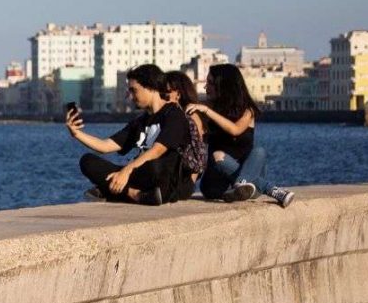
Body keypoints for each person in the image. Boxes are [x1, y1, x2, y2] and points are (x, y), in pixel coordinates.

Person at [67, 64, 196, 205]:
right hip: (140, 175)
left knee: (153, 164)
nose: (131, 96)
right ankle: (133, 193)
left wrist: (127, 170)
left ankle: (112, 191)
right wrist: (77, 134)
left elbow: (158, 150)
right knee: (88, 161)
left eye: (134, 90)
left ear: (151, 87)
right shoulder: (140, 121)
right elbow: (105, 146)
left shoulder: (174, 115)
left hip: (163, 177)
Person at [186, 64, 294, 207]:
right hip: (217, 185)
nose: (206, 87)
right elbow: (196, 141)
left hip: (250, 183)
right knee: (218, 156)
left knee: (259, 151)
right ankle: (268, 189)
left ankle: (241, 184)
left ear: (224, 85)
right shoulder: (204, 108)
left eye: (211, 83)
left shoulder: (247, 111)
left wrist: (207, 111)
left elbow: (235, 129)